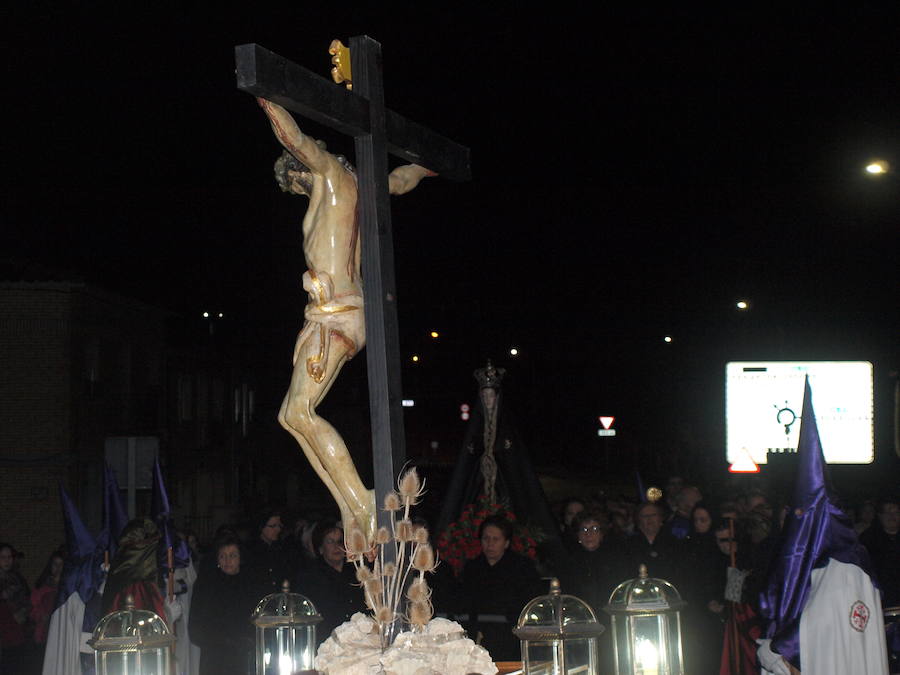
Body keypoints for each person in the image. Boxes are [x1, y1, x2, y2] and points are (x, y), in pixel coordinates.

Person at [257, 98, 433, 544]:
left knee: (299, 410)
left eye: (293, 183)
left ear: (300, 170)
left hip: (336, 315)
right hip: (338, 314)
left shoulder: (331, 179)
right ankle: (349, 505)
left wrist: (266, 93)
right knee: (288, 415)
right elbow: (401, 179)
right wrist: (425, 165)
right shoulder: (365, 184)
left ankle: (363, 499)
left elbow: (293, 138)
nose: (296, 191)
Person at [459, 516, 542, 661]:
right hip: (479, 636)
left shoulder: (522, 568)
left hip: (510, 638)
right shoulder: (472, 568)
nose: (490, 544)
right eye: (486, 538)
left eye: (495, 539)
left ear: (506, 543)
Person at [189, 536, 258, 675]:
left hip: (243, 656)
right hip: (214, 657)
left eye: (232, 556)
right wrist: (219, 642)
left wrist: (246, 641)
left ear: (240, 558)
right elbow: (195, 625)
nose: (227, 561)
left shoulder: (250, 584)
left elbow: (256, 619)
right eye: (223, 556)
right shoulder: (206, 584)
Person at [295, 521, 365, 646]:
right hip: (327, 640)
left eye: (339, 541)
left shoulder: (357, 572)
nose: (336, 546)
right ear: (321, 548)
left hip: (358, 638)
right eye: (330, 542)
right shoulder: (312, 577)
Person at [0, 543, 31, 674]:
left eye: (9, 557)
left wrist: (22, 613)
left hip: (17, 631)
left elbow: (27, 600)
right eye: (3, 557)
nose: (7, 561)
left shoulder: (18, 579)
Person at [247, 509, 294, 595]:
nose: (278, 529)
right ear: (261, 527)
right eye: (273, 526)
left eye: (279, 526)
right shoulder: (250, 551)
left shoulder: (280, 549)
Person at [30, 549, 64, 648]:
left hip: (61, 633)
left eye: (61, 564)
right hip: (44, 633)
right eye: (55, 564)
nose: (58, 568)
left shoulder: (68, 589)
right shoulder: (42, 586)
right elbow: (33, 608)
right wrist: (42, 615)